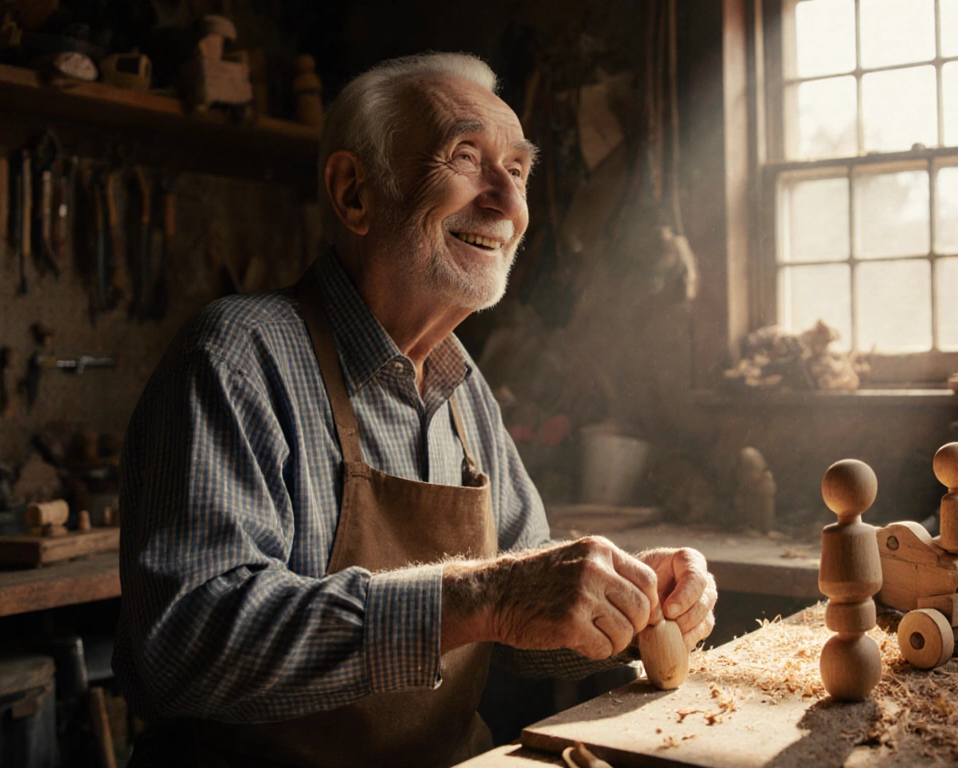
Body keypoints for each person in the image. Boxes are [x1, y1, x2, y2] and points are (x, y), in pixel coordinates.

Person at [115, 52, 718, 768]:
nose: (505, 202)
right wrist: (484, 595)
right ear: (355, 193)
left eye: (518, 171)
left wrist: (625, 599)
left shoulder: (465, 392)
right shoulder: (236, 358)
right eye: (467, 158)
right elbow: (185, 648)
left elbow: (526, 619)